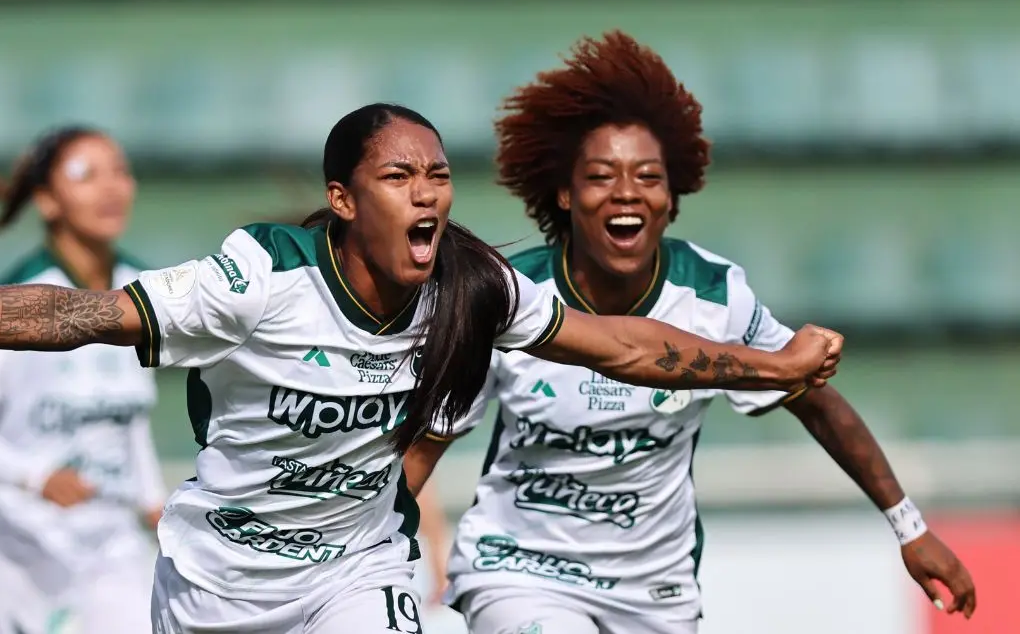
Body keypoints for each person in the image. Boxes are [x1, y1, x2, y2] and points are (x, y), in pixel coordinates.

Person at [0, 103, 843, 634]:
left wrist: (765, 363)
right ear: (345, 199)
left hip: (357, 571)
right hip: (218, 580)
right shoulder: (258, 279)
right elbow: (80, 314)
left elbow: (625, 343)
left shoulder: (473, 284)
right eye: (399, 176)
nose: (426, 192)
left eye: (438, 174)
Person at [403, 33, 977, 634]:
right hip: (520, 570)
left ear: (671, 200)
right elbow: (424, 446)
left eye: (648, 177)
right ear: (566, 194)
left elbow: (818, 404)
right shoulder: (510, 298)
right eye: (602, 176)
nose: (627, 192)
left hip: (654, 587)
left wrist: (909, 526)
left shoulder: (714, 296)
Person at [0, 126, 167, 634]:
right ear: (47, 201)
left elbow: (129, 417)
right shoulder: (13, 302)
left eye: (120, 171)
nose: (110, 188)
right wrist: (36, 477)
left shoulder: (144, 292)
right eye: (86, 175)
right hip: (23, 546)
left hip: (112, 541)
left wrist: (152, 501)